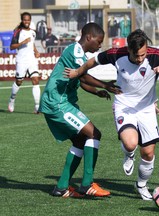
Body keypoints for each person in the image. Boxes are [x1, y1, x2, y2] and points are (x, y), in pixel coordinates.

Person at [63, 29, 159, 201]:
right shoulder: (116, 53)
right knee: (130, 144)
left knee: (148, 153)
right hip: (124, 104)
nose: (140, 59)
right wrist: (77, 72)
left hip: (146, 109)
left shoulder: (155, 54)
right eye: (136, 55)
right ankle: (129, 154)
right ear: (128, 49)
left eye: (143, 55)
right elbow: (93, 61)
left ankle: (141, 185)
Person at [39, 22, 122, 198]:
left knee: (80, 141)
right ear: (88, 37)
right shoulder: (75, 51)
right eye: (99, 41)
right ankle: (87, 184)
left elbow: (81, 81)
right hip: (57, 103)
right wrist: (106, 85)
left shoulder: (79, 55)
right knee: (94, 134)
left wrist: (97, 92)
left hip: (60, 102)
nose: (100, 45)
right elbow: (83, 75)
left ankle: (61, 187)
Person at [8, 12, 41, 113]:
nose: (26, 21)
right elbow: (11, 46)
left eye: (28, 20)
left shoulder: (33, 32)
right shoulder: (17, 31)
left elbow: (32, 44)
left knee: (35, 80)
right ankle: (12, 100)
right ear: (22, 20)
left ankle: (37, 107)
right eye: (24, 19)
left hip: (32, 60)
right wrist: (22, 42)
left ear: (30, 20)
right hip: (21, 60)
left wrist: (36, 51)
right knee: (19, 82)